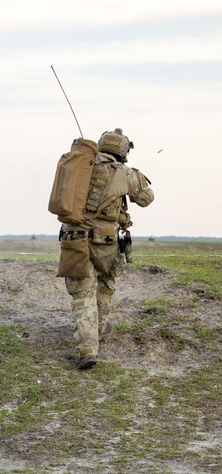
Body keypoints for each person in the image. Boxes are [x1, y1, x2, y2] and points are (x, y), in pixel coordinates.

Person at [59, 128, 154, 369]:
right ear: (123, 150)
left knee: (82, 293)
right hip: (106, 241)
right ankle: (99, 327)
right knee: (106, 282)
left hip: (72, 237)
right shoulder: (124, 172)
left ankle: (88, 349)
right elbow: (146, 199)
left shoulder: (79, 166)